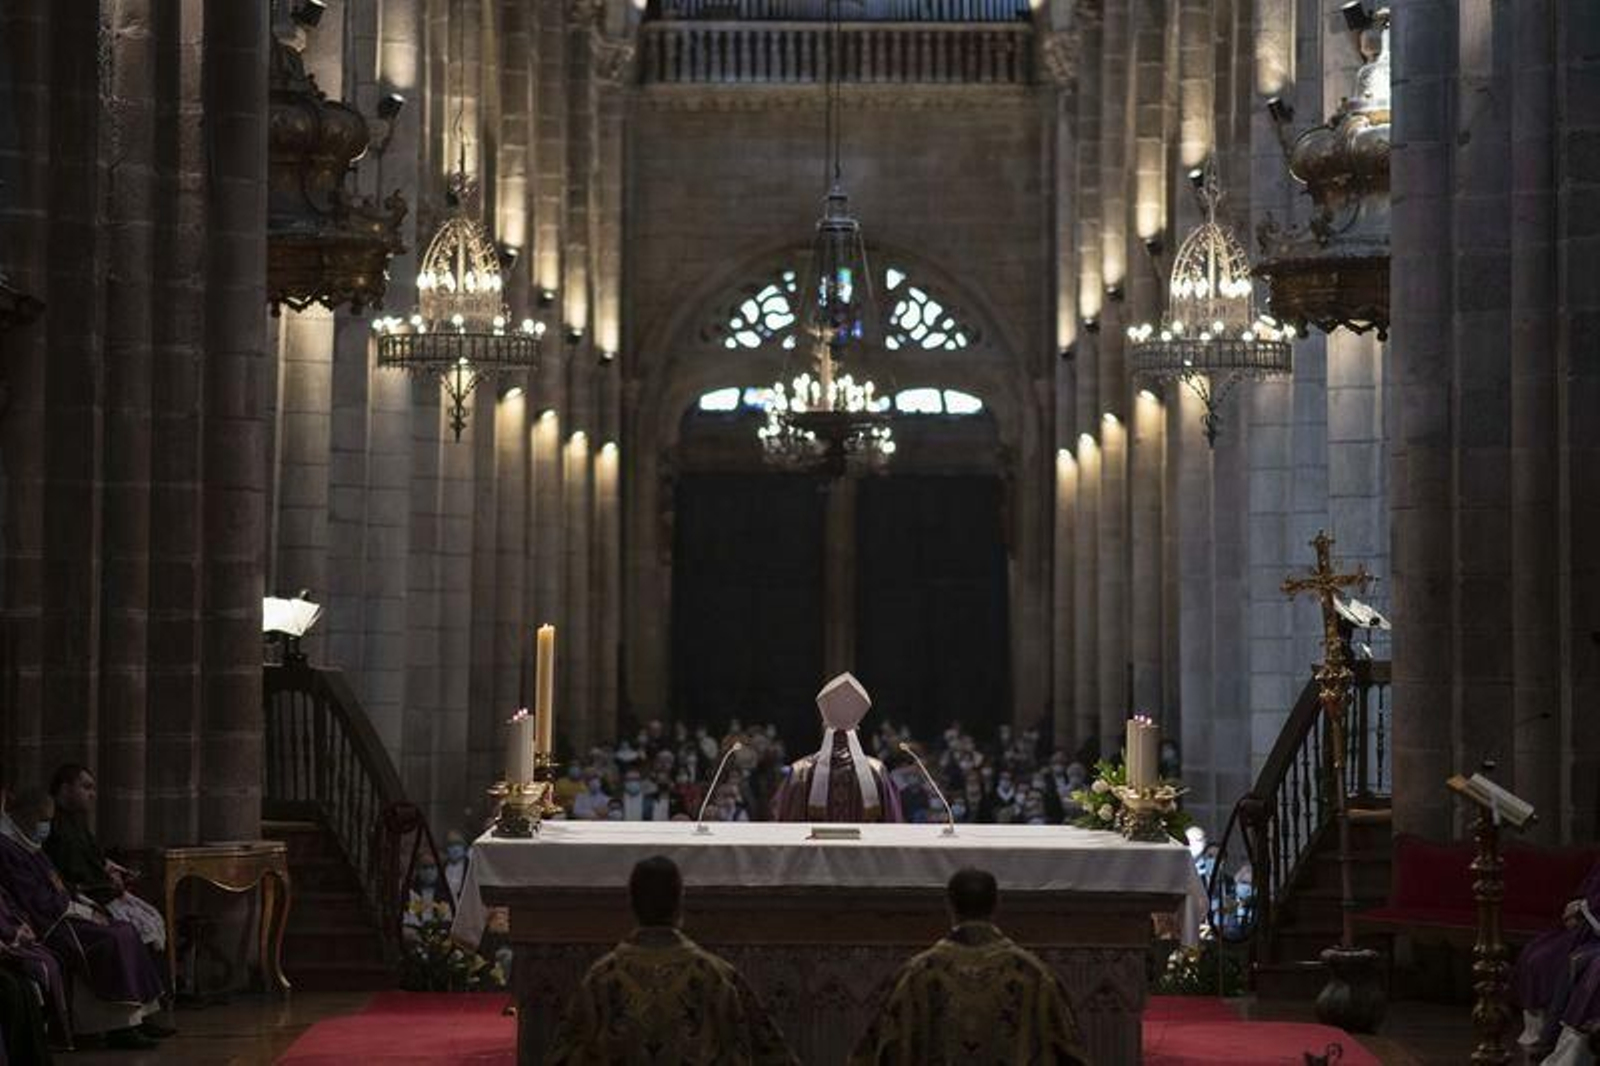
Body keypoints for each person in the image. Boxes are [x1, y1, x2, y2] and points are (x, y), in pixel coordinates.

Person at [546, 856, 797, 1065]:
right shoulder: (716, 976)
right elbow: (773, 1054)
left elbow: (562, 1056)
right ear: (680, 904)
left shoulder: (601, 978)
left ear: (632, 904)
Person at [849, 868, 1088, 1066]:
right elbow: (1070, 1053)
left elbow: (879, 1050)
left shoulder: (917, 974)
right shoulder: (1034, 975)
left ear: (949, 906)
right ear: (997, 905)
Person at [0, 786, 166, 1050]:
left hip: (63, 912)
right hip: (48, 923)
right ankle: (117, 1027)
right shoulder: (8, 849)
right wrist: (83, 912)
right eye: (43, 820)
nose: (46, 827)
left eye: (49, 821)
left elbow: (59, 885)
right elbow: (34, 900)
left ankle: (138, 1018)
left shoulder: (31, 844)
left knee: (126, 928)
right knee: (112, 938)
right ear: (24, 815)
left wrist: (88, 906)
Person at [44, 765, 167, 952]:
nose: (92, 794)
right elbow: (70, 870)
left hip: (101, 889)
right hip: (83, 898)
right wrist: (109, 881)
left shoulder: (77, 819)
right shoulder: (51, 823)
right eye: (86, 787)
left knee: (154, 918)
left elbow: (94, 857)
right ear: (65, 788)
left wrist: (115, 870)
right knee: (138, 930)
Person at [771, 673, 903, 823]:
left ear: (824, 727)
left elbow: (783, 821)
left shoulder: (800, 772)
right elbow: (893, 822)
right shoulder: (877, 771)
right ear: (856, 729)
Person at [1512, 858, 1600, 1050]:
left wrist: (1583, 910)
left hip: (1593, 934)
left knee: (1567, 961)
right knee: (1537, 954)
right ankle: (1537, 1033)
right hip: (1583, 926)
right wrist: (1576, 906)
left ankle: (1552, 1037)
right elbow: (1589, 888)